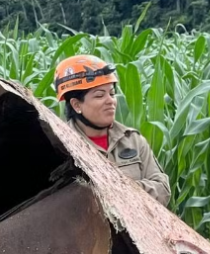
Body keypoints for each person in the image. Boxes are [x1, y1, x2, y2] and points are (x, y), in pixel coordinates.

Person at [53, 54, 171, 206]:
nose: (110, 101)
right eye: (99, 95)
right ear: (76, 105)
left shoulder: (133, 140)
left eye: (112, 93)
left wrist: (119, 191)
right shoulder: (61, 148)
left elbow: (162, 189)